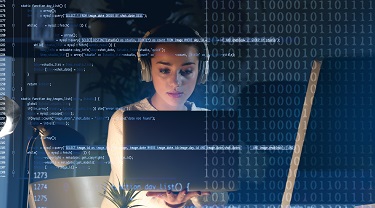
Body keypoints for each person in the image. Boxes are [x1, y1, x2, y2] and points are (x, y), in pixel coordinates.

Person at [103, 24, 228, 208]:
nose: (176, 82)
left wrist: (197, 196)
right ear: (147, 70)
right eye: (164, 70)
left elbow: (220, 199)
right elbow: (132, 194)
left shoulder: (209, 122)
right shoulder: (125, 119)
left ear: (200, 72)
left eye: (186, 71)